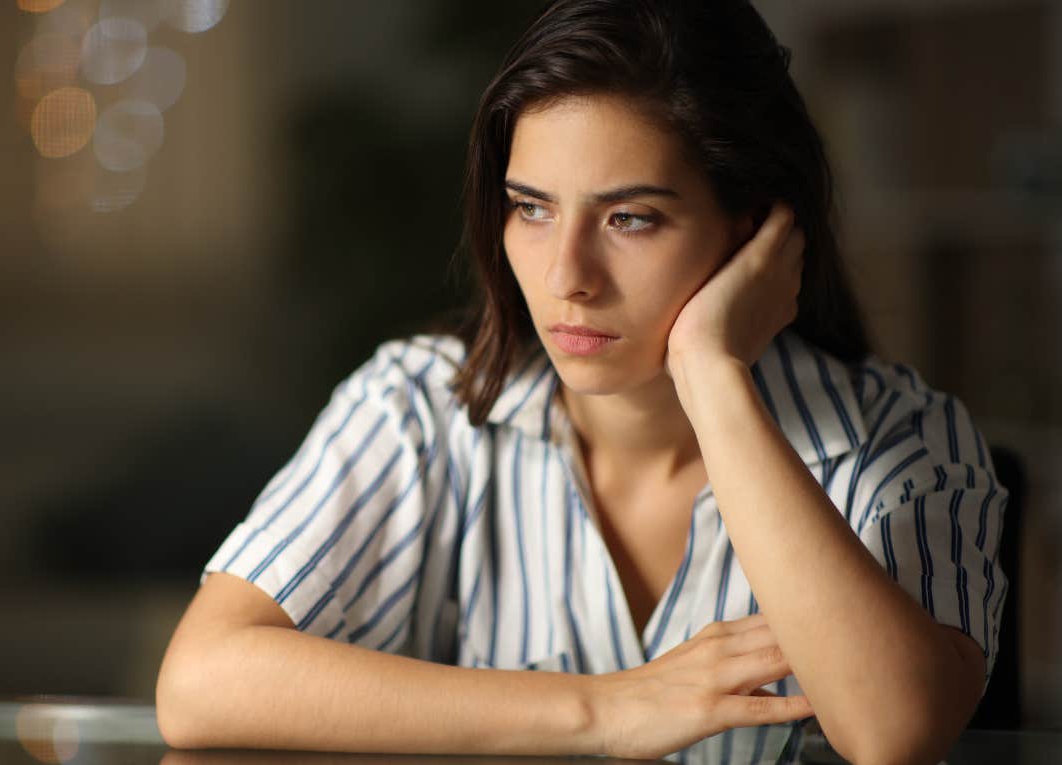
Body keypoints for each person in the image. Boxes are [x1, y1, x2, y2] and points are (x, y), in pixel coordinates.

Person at [155, 1, 1008, 762]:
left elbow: (896, 732)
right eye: (532, 207)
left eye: (630, 218)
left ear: (754, 230)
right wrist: (608, 710)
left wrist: (712, 374)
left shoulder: (897, 437)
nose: (568, 274)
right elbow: (199, 683)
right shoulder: (423, 407)